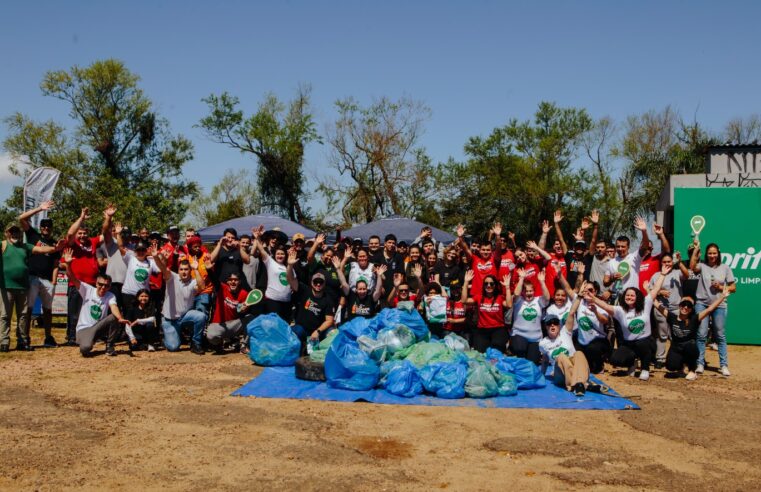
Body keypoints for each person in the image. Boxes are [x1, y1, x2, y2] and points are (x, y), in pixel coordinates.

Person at [589, 264, 669, 381]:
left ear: (637, 297)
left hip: (645, 342)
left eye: (632, 295)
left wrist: (662, 274)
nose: (629, 297)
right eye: (627, 295)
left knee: (644, 345)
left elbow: (656, 289)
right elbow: (605, 306)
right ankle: (632, 363)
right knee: (615, 359)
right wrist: (593, 298)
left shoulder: (645, 304)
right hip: (629, 344)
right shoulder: (620, 310)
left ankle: (645, 368)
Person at [1, 224, 64, 351]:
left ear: (20, 234)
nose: (15, 234)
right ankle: (4, 342)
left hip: (23, 287)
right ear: (7, 233)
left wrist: (55, 248)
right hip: (6, 286)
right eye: (12, 231)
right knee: (4, 316)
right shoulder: (3, 245)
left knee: (23, 315)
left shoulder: (25, 246)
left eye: (17, 231)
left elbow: (41, 250)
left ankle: (22, 341)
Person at [61, 248, 131, 356]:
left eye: (106, 286)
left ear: (109, 286)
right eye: (101, 284)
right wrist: (68, 264)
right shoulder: (88, 290)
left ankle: (109, 346)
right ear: (96, 283)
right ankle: (88, 341)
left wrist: (120, 318)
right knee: (85, 349)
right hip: (84, 329)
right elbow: (72, 277)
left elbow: (114, 307)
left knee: (115, 317)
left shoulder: (110, 295)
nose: (103, 288)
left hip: (98, 327)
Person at [654, 285, 731, 381]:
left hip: (689, 347)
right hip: (676, 347)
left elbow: (709, 309)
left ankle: (692, 370)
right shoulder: (671, 317)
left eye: (689, 306)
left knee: (691, 346)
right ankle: (681, 364)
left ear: (691, 309)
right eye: (683, 304)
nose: (685, 307)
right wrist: (647, 290)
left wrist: (722, 297)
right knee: (670, 366)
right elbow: (656, 304)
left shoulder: (695, 318)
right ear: (679, 305)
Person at [63, 205, 115, 345]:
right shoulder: (72, 244)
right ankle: (72, 337)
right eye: (79, 233)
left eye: (84, 233)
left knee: (91, 312)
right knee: (74, 313)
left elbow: (106, 233)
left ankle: (92, 335)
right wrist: (81, 218)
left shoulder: (92, 242)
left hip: (92, 285)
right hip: (77, 283)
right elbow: (69, 233)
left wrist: (108, 218)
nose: (82, 236)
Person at [689, 239, 737, 376]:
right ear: (707, 254)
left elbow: (733, 288)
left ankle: (724, 365)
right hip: (702, 304)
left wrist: (721, 287)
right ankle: (699, 364)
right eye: (709, 253)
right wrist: (696, 249)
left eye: (714, 253)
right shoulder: (702, 266)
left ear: (718, 253)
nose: (712, 255)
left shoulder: (725, 268)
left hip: (719, 305)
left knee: (720, 335)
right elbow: (692, 266)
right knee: (701, 334)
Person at [18, 200, 60, 347]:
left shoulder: (55, 244)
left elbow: (56, 265)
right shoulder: (33, 236)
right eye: (44, 226)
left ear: (52, 229)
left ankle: (48, 337)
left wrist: (54, 282)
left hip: (48, 280)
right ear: (40, 227)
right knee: (28, 309)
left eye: (49, 226)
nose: (46, 228)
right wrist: (39, 208)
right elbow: (21, 218)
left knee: (47, 310)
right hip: (33, 278)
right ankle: (25, 337)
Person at [154, 249, 207, 354]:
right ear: (178, 270)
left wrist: (196, 269)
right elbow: (163, 268)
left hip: (184, 316)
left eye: (186, 269)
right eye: (181, 269)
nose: (184, 272)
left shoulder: (193, 281)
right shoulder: (171, 277)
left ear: (189, 270)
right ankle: (168, 336)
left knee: (201, 316)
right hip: (169, 319)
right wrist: (156, 257)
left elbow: (202, 287)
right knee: (173, 347)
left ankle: (196, 343)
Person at [539, 307, 596, 397]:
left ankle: (579, 385)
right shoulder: (543, 343)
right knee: (561, 356)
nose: (552, 325)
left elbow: (571, 313)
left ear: (559, 325)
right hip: (560, 374)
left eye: (555, 323)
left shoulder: (566, 332)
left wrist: (580, 296)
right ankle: (580, 384)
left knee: (579, 353)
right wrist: (541, 375)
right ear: (546, 327)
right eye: (549, 323)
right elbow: (545, 360)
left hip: (575, 369)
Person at [285, 250, 335, 348]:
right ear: (312, 282)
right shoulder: (304, 290)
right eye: (316, 282)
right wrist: (290, 266)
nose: (318, 284)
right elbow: (290, 279)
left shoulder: (328, 299)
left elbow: (329, 320)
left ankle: (314, 348)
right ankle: (300, 346)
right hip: (302, 328)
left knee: (333, 333)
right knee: (295, 331)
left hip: (318, 332)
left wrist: (317, 331)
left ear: (324, 284)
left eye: (321, 282)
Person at [648, 252, 685, 369]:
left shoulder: (677, 273)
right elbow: (649, 290)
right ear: (661, 263)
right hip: (660, 308)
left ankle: (676, 358)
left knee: (676, 335)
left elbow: (687, 274)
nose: (666, 264)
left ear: (672, 262)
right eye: (664, 262)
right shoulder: (655, 275)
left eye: (669, 261)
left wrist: (679, 262)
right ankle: (660, 358)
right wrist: (660, 292)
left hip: (676, 309)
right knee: (662, 335)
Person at [508, 267, 551, 364]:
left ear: (534, 291)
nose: (528, 293)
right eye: (526, 291)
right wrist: (521, 278)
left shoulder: (538, 300)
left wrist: (542, 282)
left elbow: (547, 298)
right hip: (519, 335)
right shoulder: (519, 301)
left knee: (533, 363)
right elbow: (516, 293)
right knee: (520, 348)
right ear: (523, 292)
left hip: (535, 338)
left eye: (531, 291)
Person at [603, 216, 651, 301]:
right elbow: (605, 282)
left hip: (632, 297)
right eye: (618, 246)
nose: (620, 249)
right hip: (617, 297)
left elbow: (645, 246)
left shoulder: (635, 257)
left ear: (628, 247)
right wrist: (612, 278)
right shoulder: (612, 262)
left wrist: (644, 231)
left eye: (623, 246)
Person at [463, 269, 511, 354]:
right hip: (482, 329)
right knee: (480, 352)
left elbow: (509, 305)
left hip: (498, 329)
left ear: (495, 285)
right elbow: (464, 300)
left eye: (491, 284)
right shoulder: (479, 297)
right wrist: (466, 282)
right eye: (486, 284)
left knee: (496, 350)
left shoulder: (500, 297)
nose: (488, 286)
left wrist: (507, 287)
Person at [114, 224, 160, 312]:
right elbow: (120, 247)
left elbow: (161, 269)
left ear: (146, 251)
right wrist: (118, 234)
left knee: (142, 319)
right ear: (135, 251)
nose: (141, 252)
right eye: (139, 250)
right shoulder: (131, 258)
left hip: (143, 295)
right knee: (128, 317)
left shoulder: (150, 261)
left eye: (143, 250)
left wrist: (156, 256)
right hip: (128, 294)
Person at [252, 225, 292, 322]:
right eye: (273, 237)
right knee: (261, 316)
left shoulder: (281, 254)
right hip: (262, 287)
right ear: (269, 238)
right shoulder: (265, 251)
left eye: (277, 238)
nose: (274, 240)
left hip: (276, 291)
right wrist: (257, 238)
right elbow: (254, 253)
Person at [206, 272, 251, 354]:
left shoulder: (244, 294)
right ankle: (220, 344)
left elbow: (241, 310)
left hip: (234, 325)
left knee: (251, 318)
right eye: (230, 280)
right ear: (227, 282)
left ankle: (243, 345)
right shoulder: (222, 288)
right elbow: (214, 280)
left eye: (236, 280)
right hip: (220, 325)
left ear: (239, 282)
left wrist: (244, 309)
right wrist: (209, 269)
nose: (233, 282)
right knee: (210, 335)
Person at [335, 256, 385, 322]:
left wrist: (379, 275)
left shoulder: (371, 298)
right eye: (360, 289)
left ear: (367, 289)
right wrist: (338, 269)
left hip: (367, 329)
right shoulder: (351, 296)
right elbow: (343, 283)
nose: (362, 291)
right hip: (352, 328)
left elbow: (378, 289)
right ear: (356, 289)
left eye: (364, 289)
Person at [456, 224, 498, 299]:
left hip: (492, 295)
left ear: (491, 251)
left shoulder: (495, 260)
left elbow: (499, 248)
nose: (485, 252)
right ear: (479, 250)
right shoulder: (474, 259)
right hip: (477, 295)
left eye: (488, 250)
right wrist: (460, 237)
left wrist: (498, 235)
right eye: (483, 250)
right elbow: (465, 248)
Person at [180, 235, 214, 317]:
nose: (198, 248)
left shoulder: (206, 257)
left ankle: (203, 329)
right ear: (190, 247)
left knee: (201, 312)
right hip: (190, 292)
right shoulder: (185, 258)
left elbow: (213, 273)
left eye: (199, 246)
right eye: (195, 247)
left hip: (204, 291)